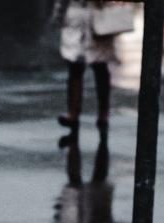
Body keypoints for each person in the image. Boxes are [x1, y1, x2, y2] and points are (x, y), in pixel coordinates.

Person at [51, 0, 120, 134]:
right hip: (77, 19)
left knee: (99, 67)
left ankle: (102, 113)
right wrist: (59, 14)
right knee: (75, 67)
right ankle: (74, 113)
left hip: (98, 16)